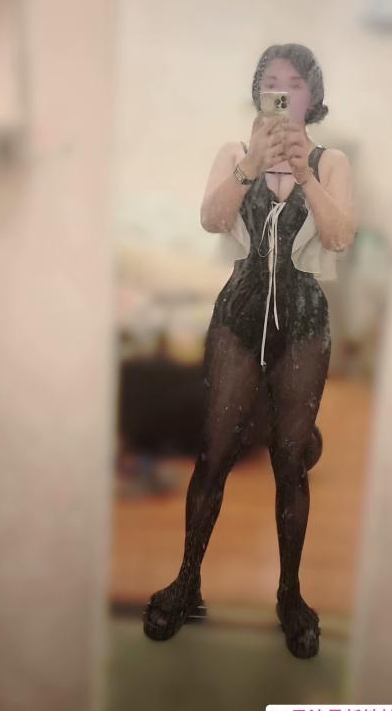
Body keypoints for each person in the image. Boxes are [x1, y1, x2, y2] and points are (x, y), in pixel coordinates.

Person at [142, 43, 358, 659]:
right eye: (272, 81)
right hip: (237, 316)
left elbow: (341, 236)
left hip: (305, 320)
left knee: (290, 463)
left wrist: (305, 174)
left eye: (296, 82)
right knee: (213, 455)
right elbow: (211, 220)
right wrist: (251, 166)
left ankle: (290, 595)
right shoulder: (233, 152)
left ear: (313, 97)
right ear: (259, 93)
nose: (283, 91)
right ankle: (187, 582)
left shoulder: (333, 161)